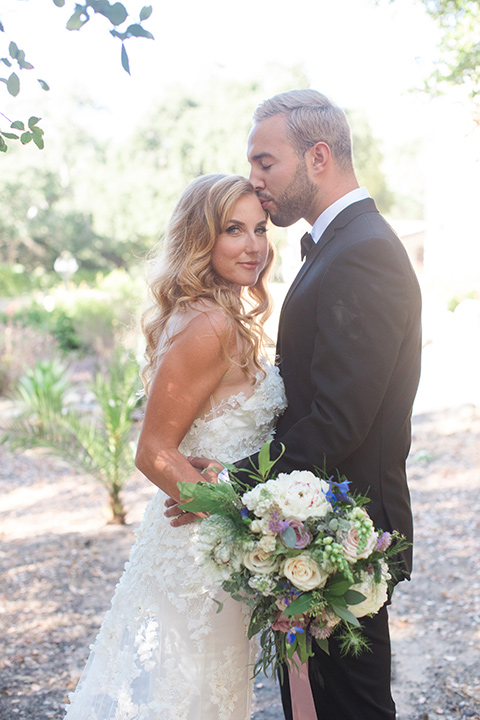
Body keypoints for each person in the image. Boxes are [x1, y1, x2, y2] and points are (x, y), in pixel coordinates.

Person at [170, 90, 422, 720]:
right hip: (310, 526)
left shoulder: (361, 252)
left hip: (344, 534)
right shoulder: (341, 244)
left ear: (316, 156)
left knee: (349, 708)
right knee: (314, 705)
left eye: (264, 162)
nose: (255, 181)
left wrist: (234, 485)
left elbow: (339, 419)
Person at [63, 173, 287, 720]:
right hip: (198, 558)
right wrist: (236, 517)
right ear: (199, 238)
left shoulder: (222, 315)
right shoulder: (209, 322)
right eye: (233, 229)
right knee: (185, 699)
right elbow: (154, 451)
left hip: (213, 548)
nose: (254, 246)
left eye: (259, 229)